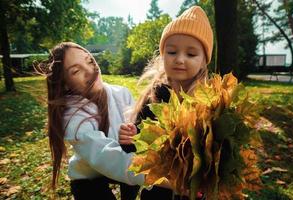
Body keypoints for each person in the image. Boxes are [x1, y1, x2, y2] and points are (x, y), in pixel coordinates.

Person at [119, 6, 213, 200]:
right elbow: (135, 153)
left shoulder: (211, 102)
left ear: (204, 61)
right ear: (163, 55)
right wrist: (130, 138)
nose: (179, 59)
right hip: (157, 192)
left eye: (191, 54)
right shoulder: (155, 96)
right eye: (172, 52)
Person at [38, 42, 142, 200]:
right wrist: (155, 174)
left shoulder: (122, 93)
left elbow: (137, 137)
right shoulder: (72, 116)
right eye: (76, 71)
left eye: (90, 61)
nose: (90, 71)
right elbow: (103, 155)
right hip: (88, 175)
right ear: (65, 83)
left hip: (124, 160)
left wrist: (134, 135)